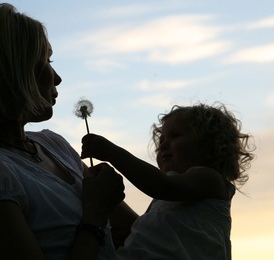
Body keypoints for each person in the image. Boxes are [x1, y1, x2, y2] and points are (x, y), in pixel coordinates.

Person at [0, 3, 137, 260]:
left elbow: (134, 228)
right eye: (45, 61)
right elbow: (100, 212)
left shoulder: (54, 145)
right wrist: (95, 217)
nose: (57, 77)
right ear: (9, 72)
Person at [81, 103, 255, 260]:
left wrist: (112, 153)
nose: (163, 145)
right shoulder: (164, 197)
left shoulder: (210, 179)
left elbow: (161, 185)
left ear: (211, 145)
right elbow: (147, 227)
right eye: (161, 140)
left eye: (175, 135)